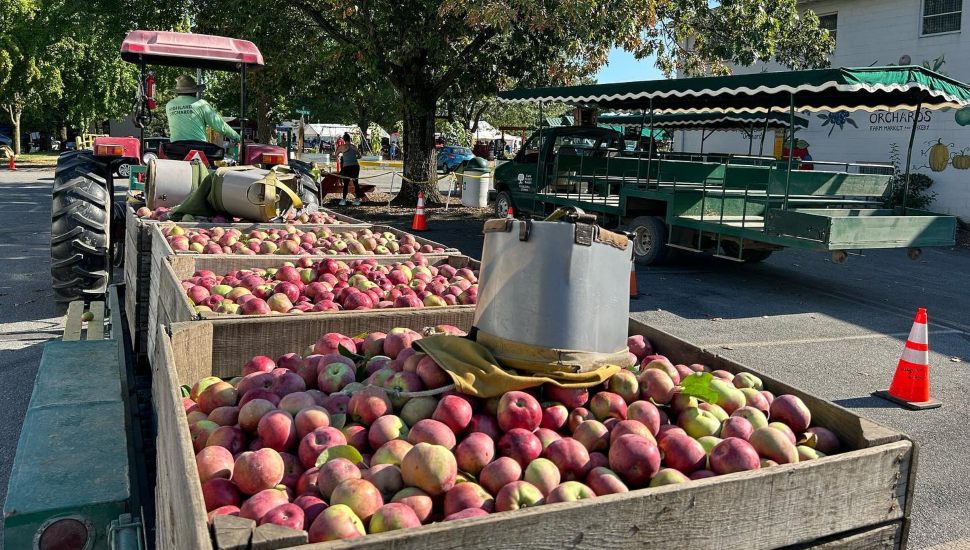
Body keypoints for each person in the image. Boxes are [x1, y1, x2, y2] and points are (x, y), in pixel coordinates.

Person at [165, 75, 240, 146]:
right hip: (198, 147)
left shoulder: (169, 105)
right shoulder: (201, 104)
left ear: (178, 91)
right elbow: (220, 126)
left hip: (175, 148)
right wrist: (238, 138)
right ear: (194, 91)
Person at [334, 132, 362, 206]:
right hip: (355, 166)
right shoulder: (354, 146)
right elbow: (359, 156)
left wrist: (339, 157)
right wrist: (353, 157)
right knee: (356, 183)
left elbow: (335, 154)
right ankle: (357, 199)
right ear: (350, 139)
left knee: (346, 183)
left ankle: (343, 200)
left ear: (344, 139)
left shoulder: (341, 147)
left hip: (346, 166)